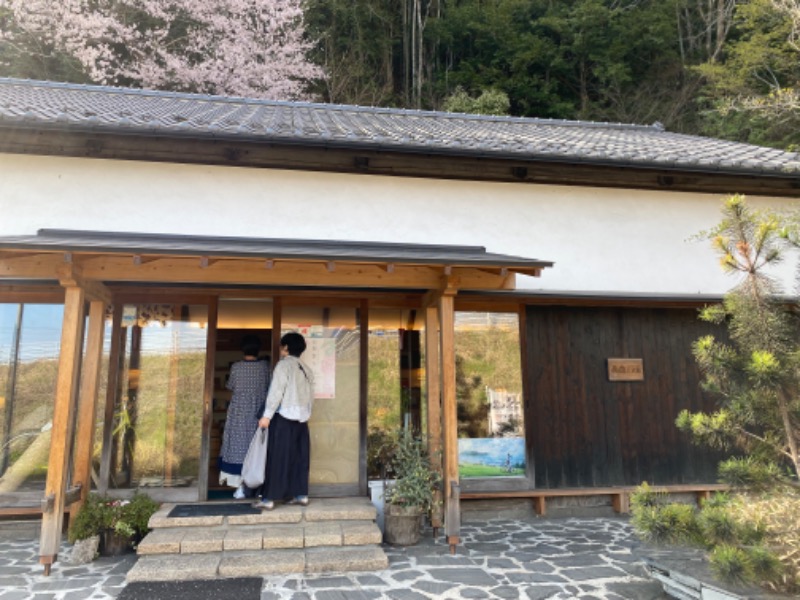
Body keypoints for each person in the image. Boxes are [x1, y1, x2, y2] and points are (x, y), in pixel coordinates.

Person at [252, 332, 315, 510]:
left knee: (277, 457)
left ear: (286, 347)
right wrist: (307, 412)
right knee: (299, 457)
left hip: (284, 418)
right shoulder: (306, 368)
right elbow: (312, 396)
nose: (280, 349)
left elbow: (276, 392)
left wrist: (266, 415)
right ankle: (301, 494)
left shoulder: (284, 366)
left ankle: (269, 499)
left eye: (281, 346)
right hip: (302, 419)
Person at [219, 334, 270, 499]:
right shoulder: (265, 367)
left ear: (243, 349)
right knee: (258, 450)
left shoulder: (236, 367)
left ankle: (241, 487)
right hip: (259, 414)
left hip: (239, 414)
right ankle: (258, 487)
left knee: (239, 449)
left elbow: (230, 387)